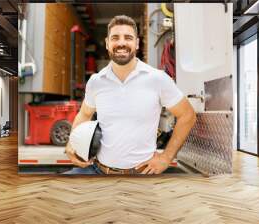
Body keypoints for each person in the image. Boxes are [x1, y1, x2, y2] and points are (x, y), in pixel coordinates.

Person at [63, 15, 196, 175]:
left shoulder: (157, 79)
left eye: (128, 38)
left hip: (141, 176)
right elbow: (84, 114)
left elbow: (187, 115)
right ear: (107, 43)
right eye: (115, 38)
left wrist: (166, 157)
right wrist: (72, 142)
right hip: (99, 171)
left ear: (137, 43)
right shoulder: (96, 81)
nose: (121, 43)